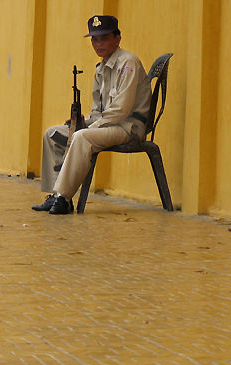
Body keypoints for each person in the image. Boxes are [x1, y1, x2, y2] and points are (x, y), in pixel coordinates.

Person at [33, 15, 152, 215]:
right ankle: (55, 195)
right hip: (107, 126)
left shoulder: (128, 63)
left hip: (128, 127)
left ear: (118, 38)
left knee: (81, 137)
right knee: (52, 134)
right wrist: (83, 121)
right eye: (94, 39)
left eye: (104, 38)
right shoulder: (100, 69)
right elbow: (98, 110)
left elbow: (121, 110)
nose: (98, 44)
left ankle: (64, 197)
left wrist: (88, 128)